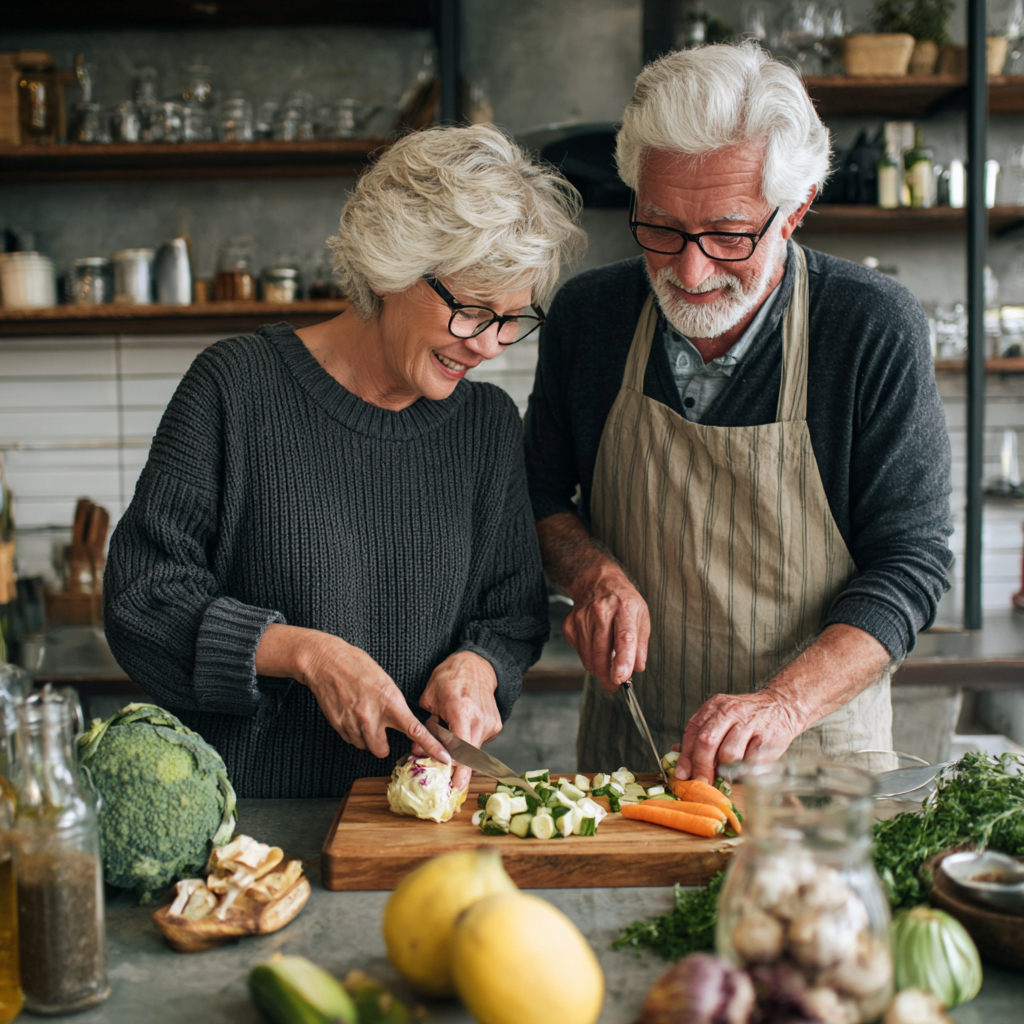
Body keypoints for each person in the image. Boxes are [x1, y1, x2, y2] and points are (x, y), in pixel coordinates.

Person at [105, 124, 586, 799]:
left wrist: (479, 666)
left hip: (412, 826)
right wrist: (306, 654)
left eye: (513, 318)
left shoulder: (486, 426)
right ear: (392, 267)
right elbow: (142, 603)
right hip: (249, 826)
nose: (492, 346)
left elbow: (511, 613)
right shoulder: (235, 389)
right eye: (473, 311)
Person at [524, 44, 953, 782]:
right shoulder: (589, 318)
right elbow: (536, 496)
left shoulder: (870, 327)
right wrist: (590, 571)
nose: (689, 272)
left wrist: (782, 705)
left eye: (729, 235)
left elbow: (910, 562)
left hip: (815, 763)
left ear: (795, 211)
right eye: (659, 227)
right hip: (632, 757)